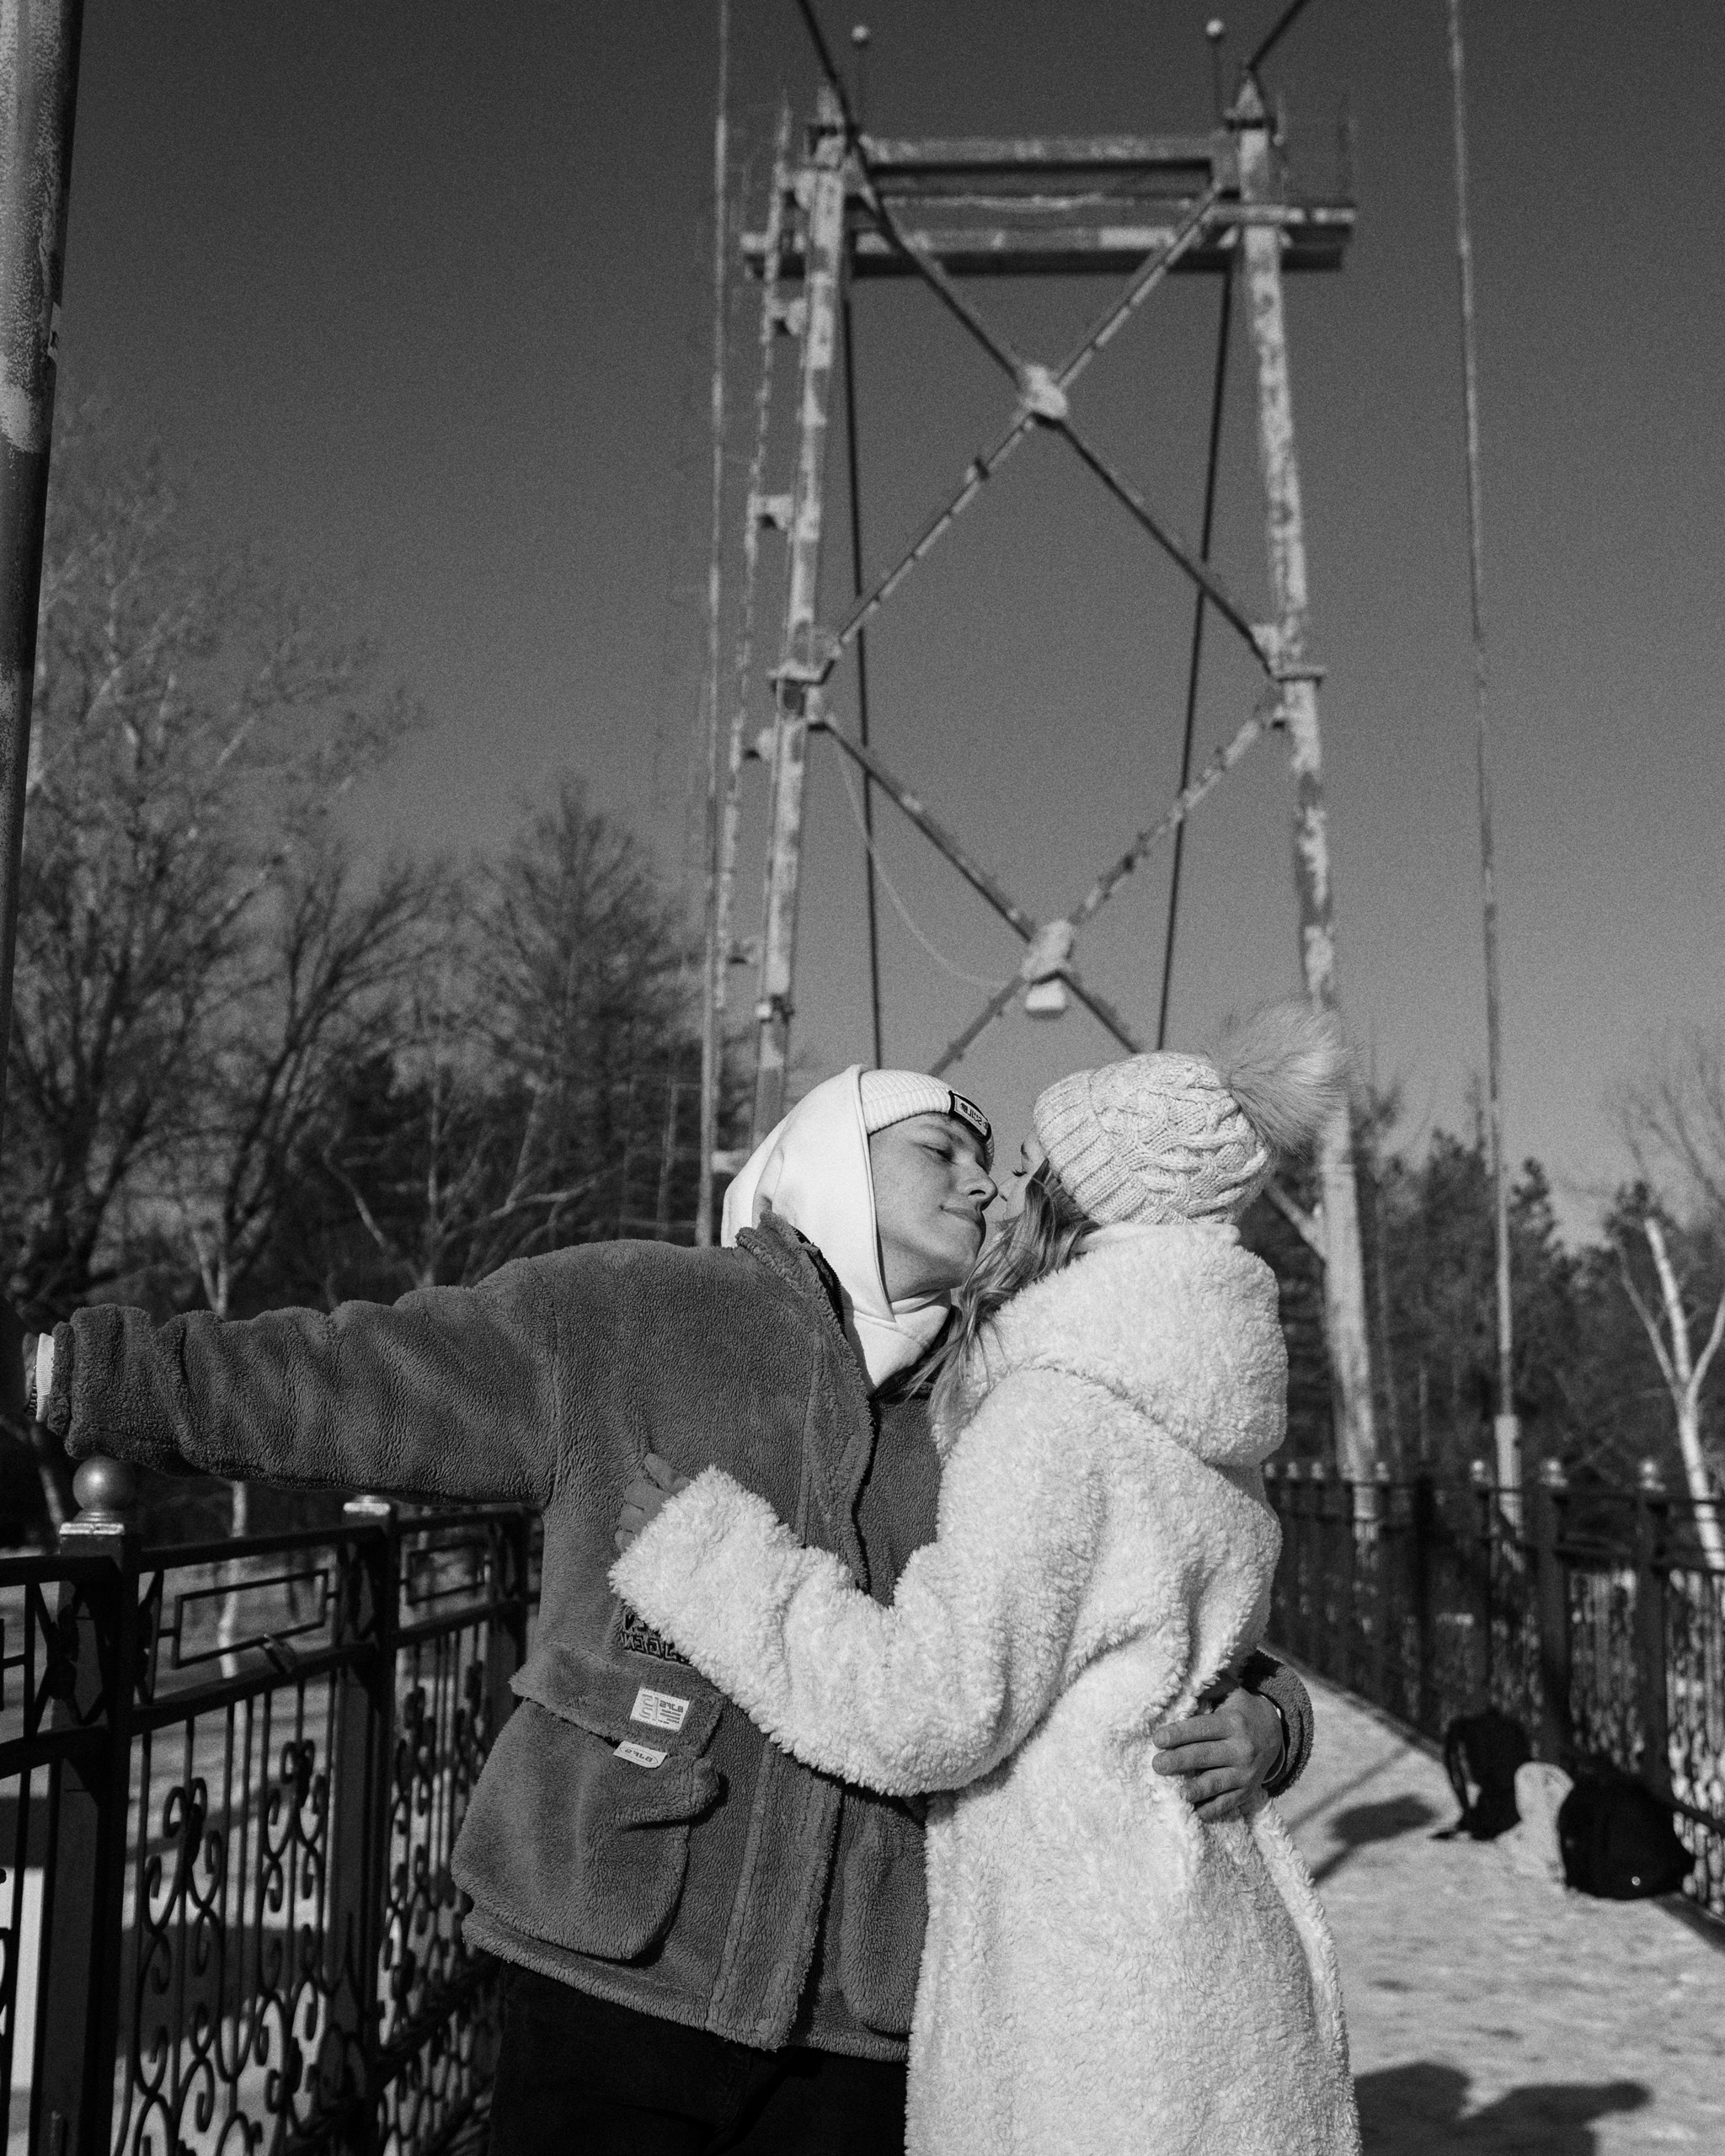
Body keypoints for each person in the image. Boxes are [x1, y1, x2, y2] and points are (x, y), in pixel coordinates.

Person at [18, 1061, 1313, 2156]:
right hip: (613, 1962)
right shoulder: (635, 1315)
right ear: (828, 1156)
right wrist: (91, 1374)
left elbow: (1159, 1615)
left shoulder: (1006, 1396)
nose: (984, 1182)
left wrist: (1271, 1715)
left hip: (873, 2018)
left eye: (995, 1161)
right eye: (943, 1148)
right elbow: (356, 1379)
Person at [612, 1010, 1362, 2156]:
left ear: (1080, 1203)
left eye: (1027, 1176)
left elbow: (931, 1710)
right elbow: (1179, 1653)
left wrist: (708, 1561)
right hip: (1217, 1948)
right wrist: (1274, 1722)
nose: (999, 1203)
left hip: (1092, 1999)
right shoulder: (1214, 1412)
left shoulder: (1056, 1414)